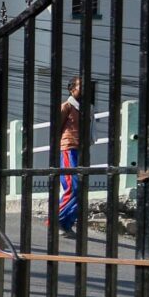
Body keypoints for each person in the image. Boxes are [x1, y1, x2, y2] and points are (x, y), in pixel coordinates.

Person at [56, 75, 84, 235]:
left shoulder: (84, 109)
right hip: (68, 148)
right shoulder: (66, 106)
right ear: (72, 89)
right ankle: (56, 218)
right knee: (72, 186)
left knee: (80, 189)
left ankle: (66, 224)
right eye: (81, 86)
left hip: (81, 150)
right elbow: (56, 128)